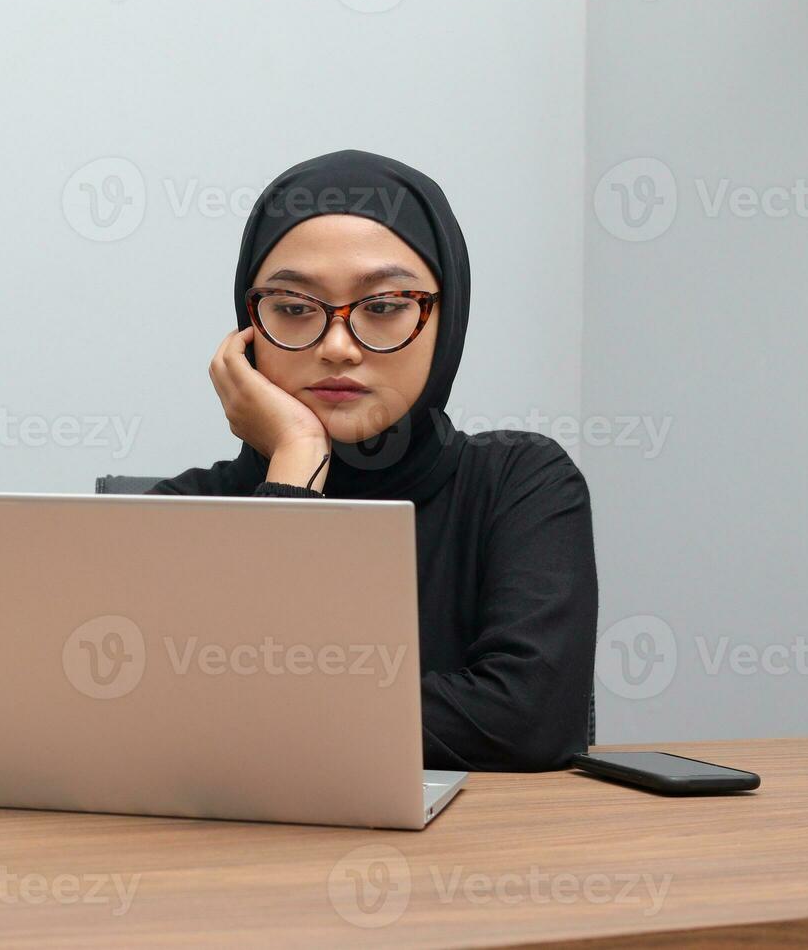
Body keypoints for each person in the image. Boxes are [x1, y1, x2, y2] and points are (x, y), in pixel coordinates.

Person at [146, 149, 599, 772]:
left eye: (384, 308)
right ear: (247, 325)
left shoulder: (520, 483)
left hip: (479, 861)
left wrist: (275, 713)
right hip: (235, 860)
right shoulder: (178, 514)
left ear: (448, 318)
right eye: (293, 308)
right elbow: (177, 726)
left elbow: (528, 720)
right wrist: (298, 462)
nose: (337, 346)